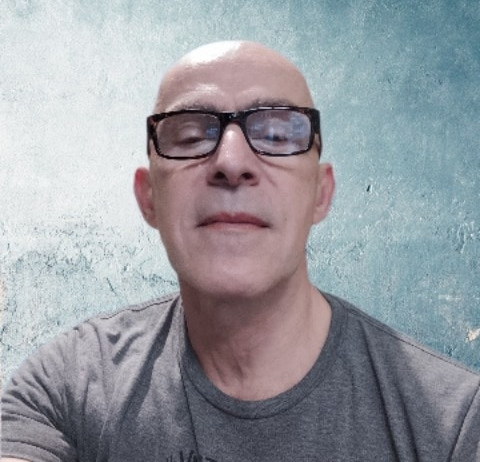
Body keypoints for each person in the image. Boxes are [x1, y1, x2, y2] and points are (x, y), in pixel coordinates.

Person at [2, 40, 479, 462]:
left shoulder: (455, 422)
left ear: (321, 194)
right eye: (191, 136)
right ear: (149, 198)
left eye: (277, 135)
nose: (231, 162)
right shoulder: (67, 385)